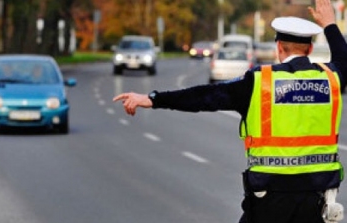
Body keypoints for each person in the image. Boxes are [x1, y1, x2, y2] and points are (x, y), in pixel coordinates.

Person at [113, 0, 346, 222]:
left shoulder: (259, 82)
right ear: (310, 48)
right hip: (317, 198)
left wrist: (152, 99)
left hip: (269, 198)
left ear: (278, 47)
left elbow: (204, 97)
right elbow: (344, 60)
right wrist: (330, 25)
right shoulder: (331, 80)